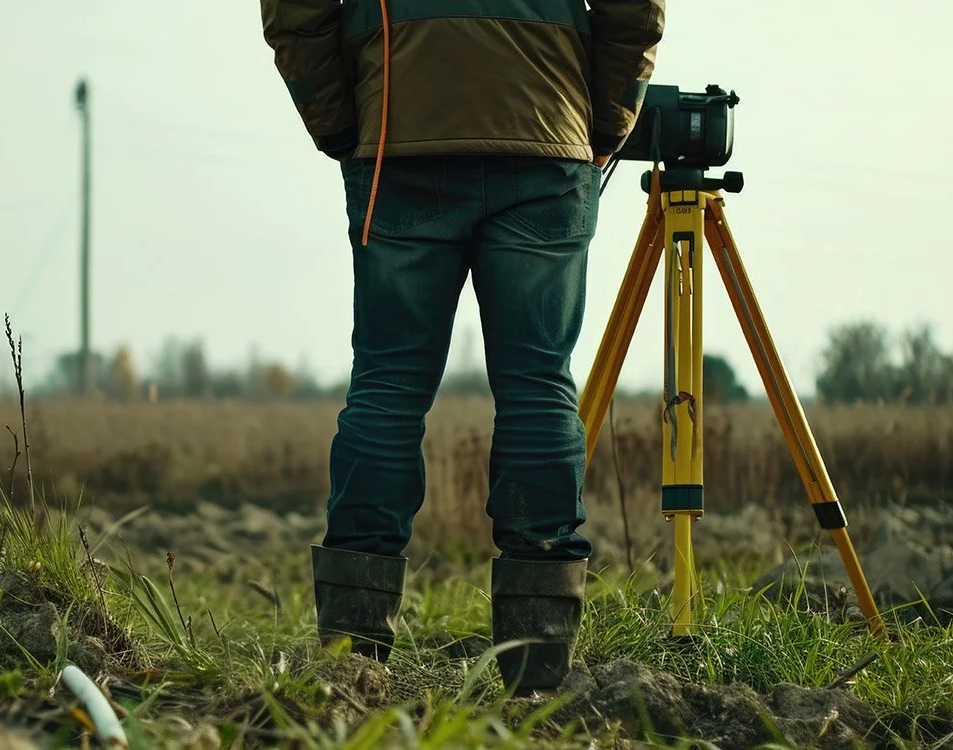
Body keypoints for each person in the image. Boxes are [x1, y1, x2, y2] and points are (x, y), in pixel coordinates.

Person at [260, 0, 665, 694]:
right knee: (539, 385)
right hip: (547, 131)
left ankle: (352, 666)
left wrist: (344, 119)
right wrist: (602, 120)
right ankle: (537, 669)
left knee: (386, 386)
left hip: (399, 132)